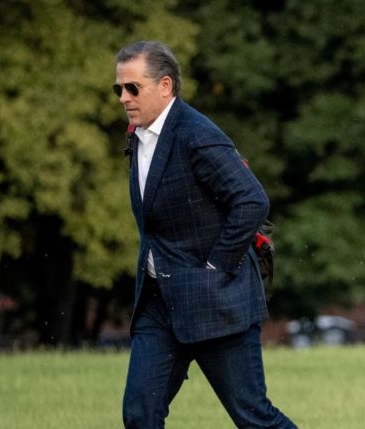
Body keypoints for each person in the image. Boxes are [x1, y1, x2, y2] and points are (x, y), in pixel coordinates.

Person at [114, 41, 296, 428]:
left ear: (165, 86)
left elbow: (251, 201)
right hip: (158, 305)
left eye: (133, 88)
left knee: (253, 418)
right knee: (139, 415)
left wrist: (215, 267)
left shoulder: (198, 135)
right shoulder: (139, 135)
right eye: (119, 89)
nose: (124, 98)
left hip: (215, 303)